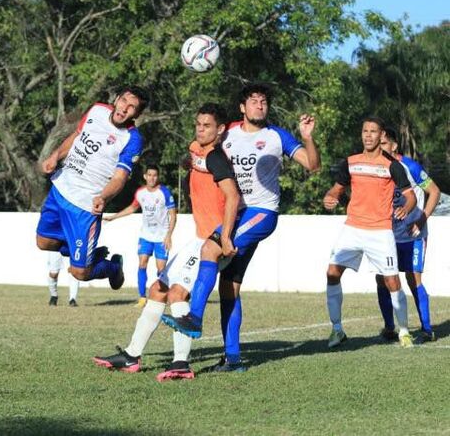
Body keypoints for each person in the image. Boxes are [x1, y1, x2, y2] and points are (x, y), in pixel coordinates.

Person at [161, 83, 320, 372]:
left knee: (211, 247)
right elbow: (203, 150)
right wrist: (191, 161)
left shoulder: (276, 136)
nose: (260, 105)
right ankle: (233, 360)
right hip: (238, 214)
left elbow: (312, 165)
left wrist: (307, 138)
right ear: (242, 108)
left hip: (261, 214)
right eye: (254, 101)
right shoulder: (229, 133)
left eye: (264, 101)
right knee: (229, 287)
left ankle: (194, 315)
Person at [92, 103, 238, 381]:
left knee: (177, 294)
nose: (200, 129)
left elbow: (232, 196)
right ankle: (132, 356)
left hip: (214, 241)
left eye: (207, 125)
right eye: (198, 123)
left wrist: (226, 236)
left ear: (220, 130)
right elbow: (193, 163)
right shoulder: (197, 149)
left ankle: (181, 364)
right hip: (199, 239)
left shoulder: (217, 158)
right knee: (157, 289)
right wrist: (189, 165)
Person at [36, 86, 149, 289]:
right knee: (44, 242)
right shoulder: (97, 110)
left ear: (137, 114)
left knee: (80, 273)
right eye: (123, 101)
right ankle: (89, 255)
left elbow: (120, 177)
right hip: (61, 189)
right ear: (116, 100)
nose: (124, 108)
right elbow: (77, 136)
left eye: (132, 107)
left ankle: (113, 267)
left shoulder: (132, 139)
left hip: (85, 207)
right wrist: (55, 156)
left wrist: (103, 197)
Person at [323, 117, 417, 349]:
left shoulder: (392, 165)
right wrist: (330, 197)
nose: (368, 135)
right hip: (352, 228)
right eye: (365, 131)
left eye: (373, 131)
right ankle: (337, 330)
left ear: (381, 135)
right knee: (332, 272)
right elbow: (336, 190)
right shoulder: (351, 162)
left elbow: (411, 196)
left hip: (380, 231)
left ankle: (404, 331)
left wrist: (405, 208)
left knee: (392, 281)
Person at [376, 128, 440, 343]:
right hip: (389, 235)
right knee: (382, 279)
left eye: (383, 143)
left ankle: (427, 329)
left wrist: (422, 219)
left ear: (394, 145)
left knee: (413, 279)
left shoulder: (409, 166)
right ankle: (389, 328)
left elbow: (435, 191)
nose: (379, 147)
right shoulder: (378, 168)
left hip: (413, 234)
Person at [104, 164, 177, 308]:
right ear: (145, 176)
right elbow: (132, 208)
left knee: (161, 269)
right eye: (149, 175)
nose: (152, 178)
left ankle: (165, 294)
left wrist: (169, 235)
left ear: (158, 177)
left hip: (161, 237)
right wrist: (114, 217)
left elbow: (173, 215)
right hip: (146, 236)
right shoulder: (140, 192)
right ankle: (142, 297)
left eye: (154, 175)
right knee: (142, 263)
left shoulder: (165, 193)